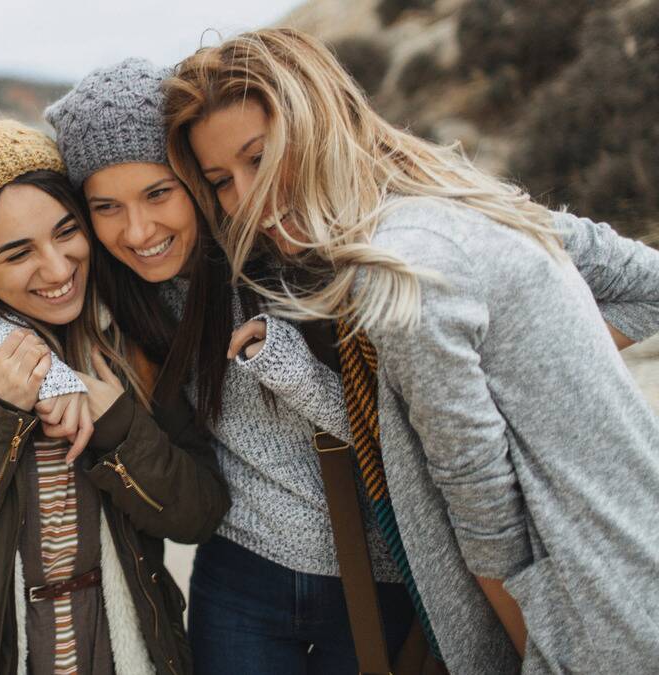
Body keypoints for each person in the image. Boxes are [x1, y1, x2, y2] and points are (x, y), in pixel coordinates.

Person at [163, 27, 659, 673]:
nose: (246, 200)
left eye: (261, 157)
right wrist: (519, 367)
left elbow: (488, 527)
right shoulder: (455, 200)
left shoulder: (399, 270)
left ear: (321, 124)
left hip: (589, 625)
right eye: (221, 180)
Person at [0, 111, 229, 674]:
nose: (58, 268)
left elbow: (199, 514)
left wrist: (120, 427)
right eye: (17, 253)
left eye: (67, 232)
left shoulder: (127, 335)